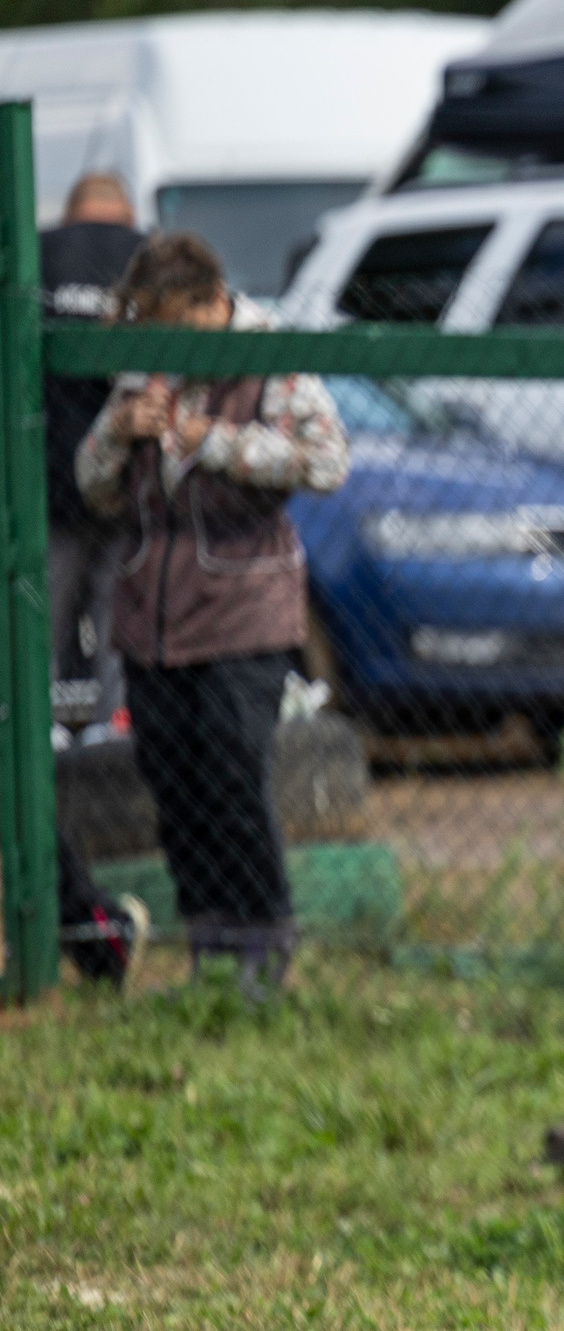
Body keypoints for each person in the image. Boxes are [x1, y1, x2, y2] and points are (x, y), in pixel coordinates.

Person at [75, 233, 348, 994]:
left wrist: (218, 443)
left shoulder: (272, 361)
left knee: (234, 770)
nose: (159, 341)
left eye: (171, 323)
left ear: (211, 303)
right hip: (149, 613)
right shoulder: (144, 366)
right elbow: (95, 487)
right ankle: (210, 941)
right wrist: (116, 433)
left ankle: (265, 937)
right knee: (174, 781)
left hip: (243, 608)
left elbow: (328, 460)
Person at [44, 171, 145, 731]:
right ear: (126, 213)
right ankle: (115, 735)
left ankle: (40, 735)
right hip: (129, 484)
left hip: (46, 486)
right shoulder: (146, 255)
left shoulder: (38, 256)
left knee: (39, 625)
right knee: (116, 627)